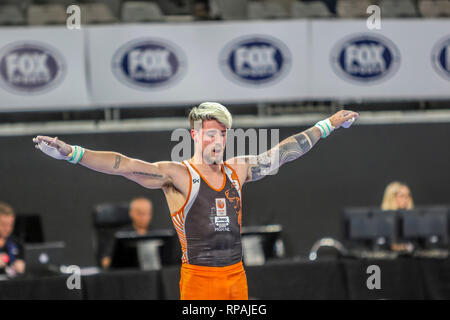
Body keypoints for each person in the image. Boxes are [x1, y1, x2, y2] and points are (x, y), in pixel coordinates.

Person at [32, 102, 358, 300]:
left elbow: (285, 153)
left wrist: (326, 125)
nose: (216, 140)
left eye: (222, 133)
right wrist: (71, 154)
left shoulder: (239, 169)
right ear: (194, 136)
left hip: (236, 276)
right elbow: (123, 164)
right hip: (200, 281)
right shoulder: (176, 175)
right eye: (209, 133)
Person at [101, 197, 154, 269]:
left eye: (147, 213)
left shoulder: (156, 234)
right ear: (131, 214)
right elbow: (105, 261)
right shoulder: (120, 235)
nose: (143, 217)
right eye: (140, 213)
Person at [381, 181, 415, 252]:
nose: (406, 199)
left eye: (408, 195)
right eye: (402, 196)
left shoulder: (412, 221)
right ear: (391, 198)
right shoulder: (382, 221)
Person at [0, 202, 25, 276]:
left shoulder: (16, 243)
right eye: (3, 225)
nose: (7, 229)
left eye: (10, 225)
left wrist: (23, 266)